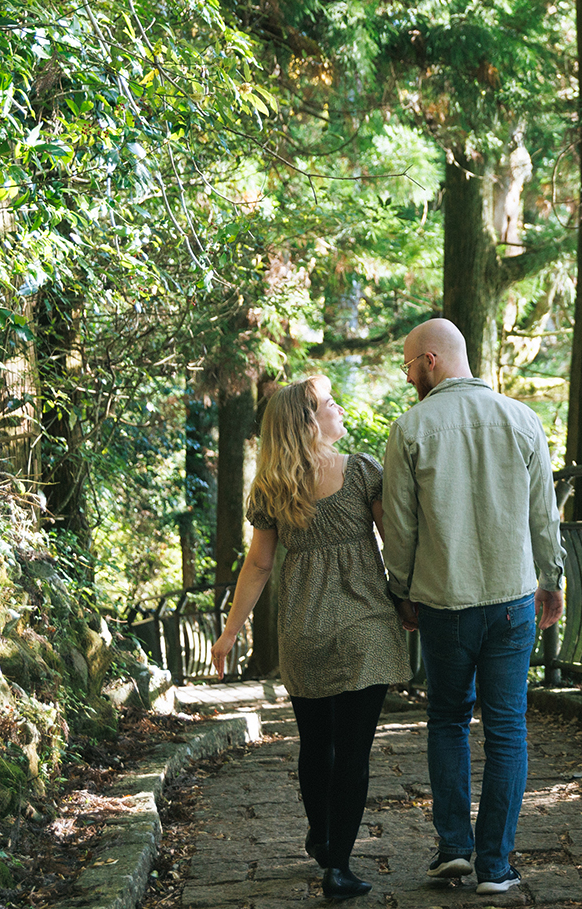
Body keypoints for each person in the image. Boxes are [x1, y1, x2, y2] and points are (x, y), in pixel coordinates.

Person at [210, 377, 410, 902]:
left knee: (316, 743)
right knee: (353, 753)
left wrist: (229, 635)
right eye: (328, 403)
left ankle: (322, 837)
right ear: (307, 421)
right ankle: (337, 866)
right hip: (366, 624)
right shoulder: (364, 471)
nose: (339, 407)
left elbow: (257, 565)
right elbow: (397, 546)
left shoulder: (272, 488)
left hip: (302, 631)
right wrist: (411, 599)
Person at [382, 318, 563, 897]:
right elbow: (544, 514)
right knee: (507, 728)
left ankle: (454, 848)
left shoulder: (410, 429)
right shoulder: (522, 419)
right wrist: (552, 578)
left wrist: (402, 588)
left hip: (444, 602)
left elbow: (402, 527)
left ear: (431, 360)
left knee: (449, 720)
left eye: (409, 365)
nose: (409, 375)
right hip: (513, 601)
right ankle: (497, 866)